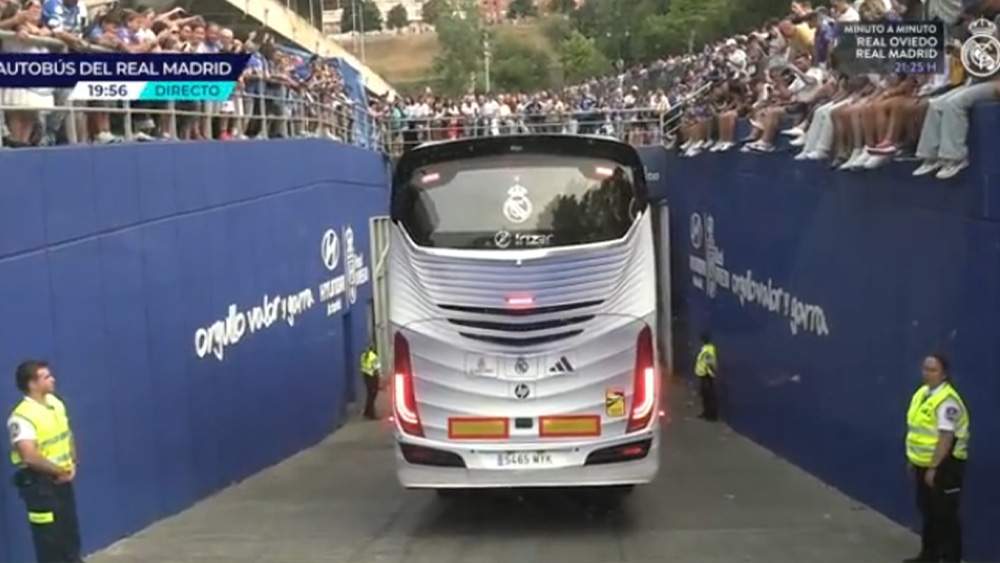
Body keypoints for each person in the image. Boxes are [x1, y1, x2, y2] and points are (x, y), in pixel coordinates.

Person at [7, 360, 83, 563]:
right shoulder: (22, 417)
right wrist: (58, 471)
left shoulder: (55, 403)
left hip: (63, 481)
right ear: (32, 384)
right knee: (49, 542)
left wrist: (72, 464)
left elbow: (67, 434)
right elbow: (29, 456)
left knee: (69, 535)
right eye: (46, 377)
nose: (53, 379)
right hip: (40, 488)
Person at [903, 354, 970, 563]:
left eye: (933, 370)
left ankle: (951, 559)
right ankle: (929, 556)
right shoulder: (922, 394)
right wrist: (914, 461)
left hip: (945, 466)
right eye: (925, 368)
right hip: (923, 464)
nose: (927, 373)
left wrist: (933, 468)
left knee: (945, 516)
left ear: (944, 374)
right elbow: (917, 431)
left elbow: (946, 438)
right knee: (929, 513)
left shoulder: (948, 401)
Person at [694, 332, 719, 421]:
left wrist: (712, 373)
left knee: (709, 396)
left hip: (707, 376)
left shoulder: (708, 351)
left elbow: (711, 363)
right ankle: (706, 413)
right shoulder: (706, 349)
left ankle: (711, 415)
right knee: (705, 396)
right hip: (704, 375)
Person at [360, 344, 381, 420]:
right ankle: (371, 414)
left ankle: (367, 411)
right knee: (373, 395)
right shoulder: (373, 357)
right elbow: (377, 368)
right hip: (372, 377)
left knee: (369, 395)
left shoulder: (363, 355)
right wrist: (378, 378)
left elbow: (362, 366)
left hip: (365, 376)